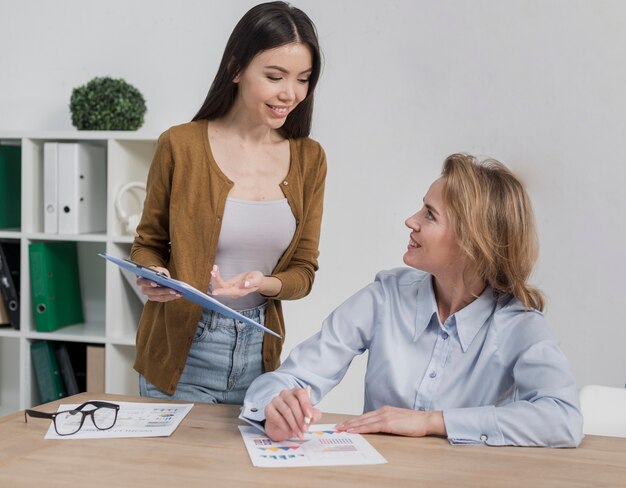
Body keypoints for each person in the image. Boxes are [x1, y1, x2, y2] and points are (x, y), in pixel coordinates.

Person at [241, 153, 584, 447]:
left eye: (430, 215)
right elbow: (292, 377)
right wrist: (277, 404)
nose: (411, 221)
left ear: (472, 241)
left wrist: (433, 422)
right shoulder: (385, 297)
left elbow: (563, 418)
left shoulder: (519, 323)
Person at [130, 1, 327, 404]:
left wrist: (263, 283)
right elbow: (147, 243)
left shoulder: (310, 158)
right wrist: (152, 274)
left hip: (260, 357)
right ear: (236, 69)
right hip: (183, 353)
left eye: (303, 79)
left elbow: (304, 271)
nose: (290, 94)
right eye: (275, 76)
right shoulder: (180, 145)